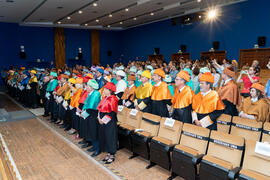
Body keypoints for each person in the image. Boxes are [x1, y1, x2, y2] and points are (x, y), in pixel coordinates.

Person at [97, 82, 118, 164]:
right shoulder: (105, 98)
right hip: (102, 120)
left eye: (106, 89)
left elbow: (112, 113)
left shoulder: (113, 99)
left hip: (109, 122)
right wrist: (98, 117)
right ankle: (108, 153)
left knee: (110, 137)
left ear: (110, 90)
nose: (104, 90)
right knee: (105, 137)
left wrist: (103, 120)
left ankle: (112, 155)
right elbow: (100, 109)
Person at [81, 79, 101, 157]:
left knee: (94, 132)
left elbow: (92, 107)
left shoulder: (96, 94)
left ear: (92, 87)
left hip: (93, 116)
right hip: (89, 115)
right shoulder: (90, 93)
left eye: (87, 86)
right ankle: (94, 146)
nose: (86, 87)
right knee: (91, 132)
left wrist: (85, 113)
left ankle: (97, 149)